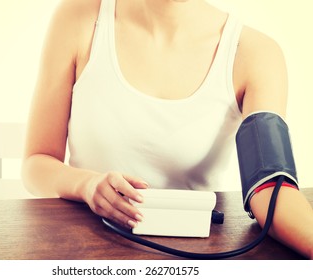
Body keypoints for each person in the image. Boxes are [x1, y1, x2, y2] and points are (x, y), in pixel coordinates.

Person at [21, 0, 313, 259]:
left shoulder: (256, 53)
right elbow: (37, 163)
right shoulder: (80, 18)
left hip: (192, 254)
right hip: (82, 250)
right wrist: (85, 185)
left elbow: (271, 190)